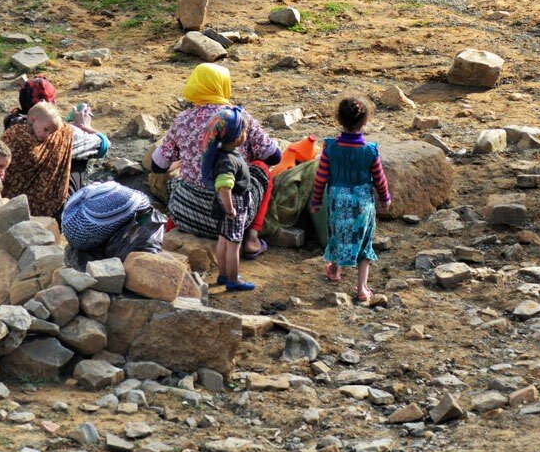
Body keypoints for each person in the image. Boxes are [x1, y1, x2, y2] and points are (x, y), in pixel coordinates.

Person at [150, 63, 280, 256]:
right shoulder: (238, 117)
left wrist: (185, 158)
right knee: (261, 168)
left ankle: (171, 232)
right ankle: (252, 237)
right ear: (223, 85)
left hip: (187, 213)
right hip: (229, 217)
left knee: (181, 182)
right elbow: (274, 156)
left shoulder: (183, 119)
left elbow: (158, 166)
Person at [309, 95, 391, 304]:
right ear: (364, 121)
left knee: (338, 236)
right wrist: (385, 198)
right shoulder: (370, 150)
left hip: (337, 201)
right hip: (363, 203)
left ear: (338, 119)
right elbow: (379, 178)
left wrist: (316, 201)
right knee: (364, 243)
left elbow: (321, 178)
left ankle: (335, 271)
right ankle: (362, 288)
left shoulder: (331, 148)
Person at [3, 75, 110, 194]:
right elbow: (103, 145)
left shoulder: (12, 123)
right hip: (45, 204)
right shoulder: (65, 133)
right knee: (75, 156)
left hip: (13, 196)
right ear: (53, 103)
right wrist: (84, 127)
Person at [202, 107, 257, 291]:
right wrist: (230, 209)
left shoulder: (223, 154)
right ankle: (233, 279)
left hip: (226, 205)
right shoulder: (228, 161)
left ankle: (223, 275)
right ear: (235, 137)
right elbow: (224, 186)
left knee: (224, 240)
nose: (246, 134)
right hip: (233, 205)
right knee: (234, 244)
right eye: (244, 131)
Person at [1, 102, 72, 218]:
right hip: (15, 202)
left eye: (50, 132)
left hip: (22, 202)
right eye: (45, 129)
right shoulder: (18, 136)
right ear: (33, 120)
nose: (48, 135)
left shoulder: (14, 132)